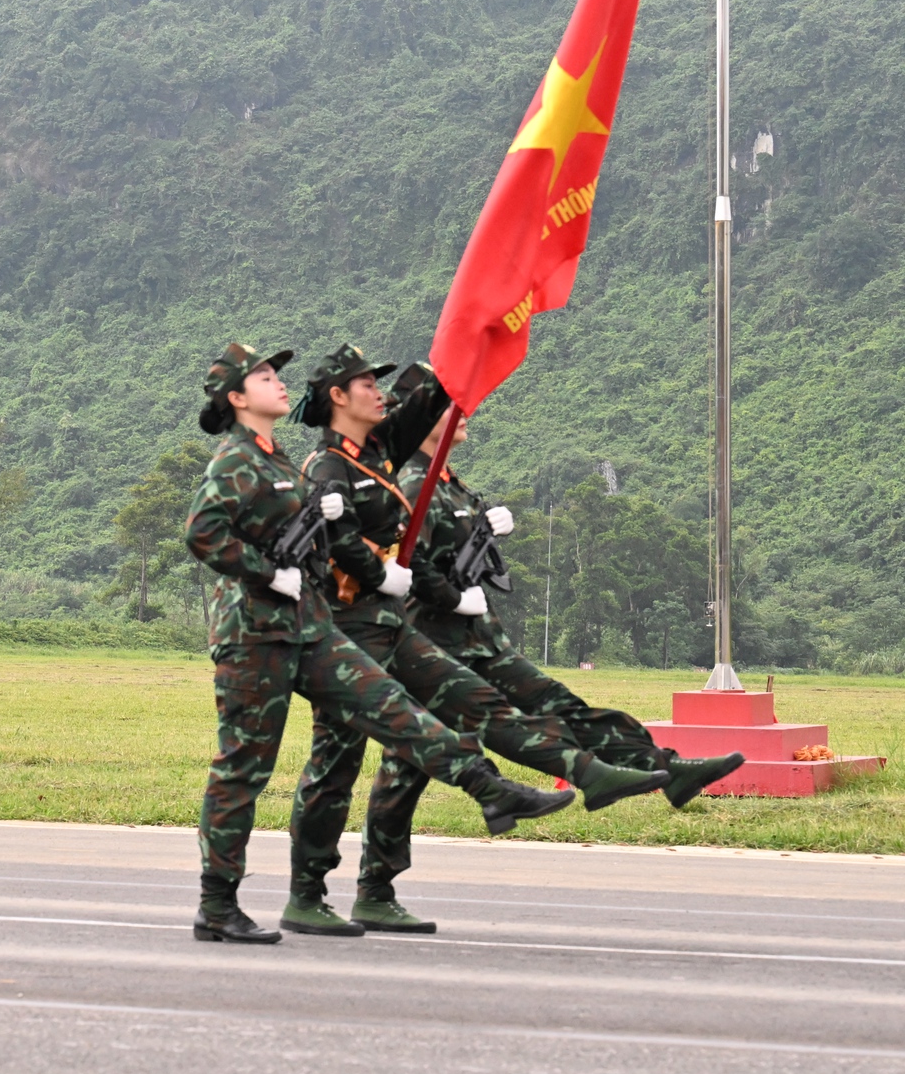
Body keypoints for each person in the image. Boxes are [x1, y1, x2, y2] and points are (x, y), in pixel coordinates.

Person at [183, 343, 571, 944]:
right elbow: (203, 534)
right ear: (237, 398)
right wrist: (268, 571)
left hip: (309, 625)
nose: (276, 383)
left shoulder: (277, 456)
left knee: (390, 707)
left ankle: (489, 790)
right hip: (252, 633)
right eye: (263, 376)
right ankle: (217, 904)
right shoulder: (234, 460)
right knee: (243, 769)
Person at [283, 345, 670, 936]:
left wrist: (471, 338)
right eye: (366, 384)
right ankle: (307, 893)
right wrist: (380, 570)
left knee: (474, 701)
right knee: (336, 766)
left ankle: (588, 773)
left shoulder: (378, 452)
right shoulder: (326, 467)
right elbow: (328, 541)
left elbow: (438, 396)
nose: (379, 392)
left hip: (389, 624)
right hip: (343, 632)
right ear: (338, 396)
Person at [361, 367, 749, 885]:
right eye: (448, 405)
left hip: (479, 641)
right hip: (436, 645)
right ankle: (375, 883)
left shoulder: (449, 482)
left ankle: (666, 767)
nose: (463, 412)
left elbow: (459, 557)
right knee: (406, 766)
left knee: (557, 702)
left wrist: (483, 533)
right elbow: (406, 566)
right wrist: (455, 598)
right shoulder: (412, 481)